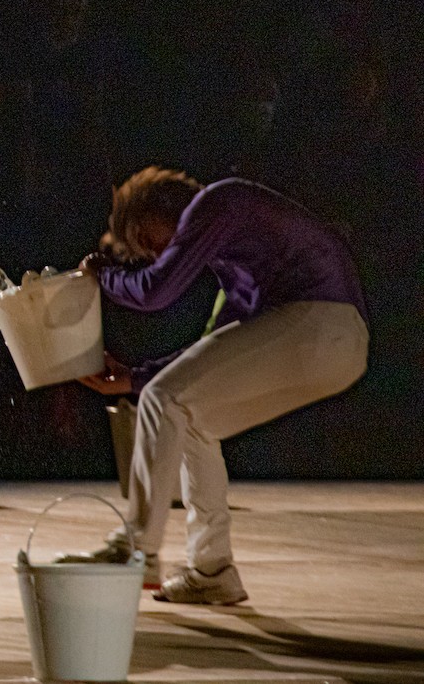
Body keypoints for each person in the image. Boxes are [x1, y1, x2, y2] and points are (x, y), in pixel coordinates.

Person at [63, 167, 368, 605]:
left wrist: (101, 276)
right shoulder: (235, 261)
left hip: (320, 321)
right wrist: (133, 377)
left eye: (143, 236)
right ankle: (212, 571)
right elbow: (205, 353)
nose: (150, 252)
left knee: (165, 399)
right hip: (337, 346)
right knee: (191, 419)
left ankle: (136, 548)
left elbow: (154, 292)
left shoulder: (218, 201)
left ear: (165, 206)